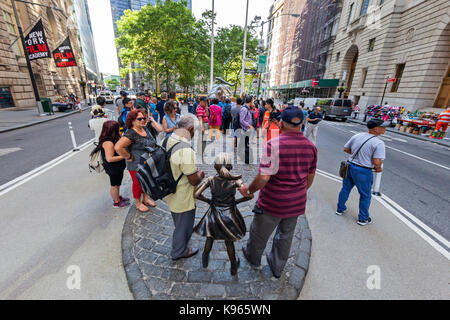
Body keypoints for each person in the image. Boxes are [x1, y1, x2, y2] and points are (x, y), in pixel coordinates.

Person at [241, 105, 317, 278]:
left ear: (281, 123)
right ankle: (277, 266)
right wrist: (298, 192)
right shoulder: (310, 147)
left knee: (259, 233)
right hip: (296, 203)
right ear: (302, 123)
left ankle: (253, 258)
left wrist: (249, 189)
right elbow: (310, 177)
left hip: (272, 202)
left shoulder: (273, 144)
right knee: (286, 235)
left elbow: (264, 177)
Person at [194, 153, 253, 276]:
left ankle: (205, 260)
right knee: (228, 241)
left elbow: (196, 194)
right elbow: (250, 195)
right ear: (230, 166)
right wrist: (237, 201)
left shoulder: (210, 180)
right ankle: (233, 267)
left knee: (210, 237)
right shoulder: (236, 181)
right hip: (229, 215)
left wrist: (208, 201)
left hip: (213, 213)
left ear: (215, 166)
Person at [165, 115, 205, 260]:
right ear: (189, 129)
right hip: (183, 195)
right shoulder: (186, 149)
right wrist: (201, 174)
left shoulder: (169, 138)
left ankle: (180, 246)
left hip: (171, 190)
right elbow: (193, 180)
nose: (195, 134)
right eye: (195, 131)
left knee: (179, 222)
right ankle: (179, 251)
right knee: (184, 226)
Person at [336, 118, 388, 225]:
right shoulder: (379, 143)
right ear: (376, 129)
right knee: (365, 195)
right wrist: (378, 168)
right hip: (363, 171)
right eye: (383, 127)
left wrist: (356, 155)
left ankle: (340, 209)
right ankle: (363, 218)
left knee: (345, 188)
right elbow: (376, 161)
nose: (385, 129)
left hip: (350, 166)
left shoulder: (357, 136)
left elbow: (346, 149)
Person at [115, 109, 162, 212]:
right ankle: (138, 203)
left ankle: (145, 198)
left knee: (146, 181)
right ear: (132, 121)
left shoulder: (144, 129)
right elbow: (118, 147)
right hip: (136, 164)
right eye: (139, 119)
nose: (142, 120)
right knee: (138, 183)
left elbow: (158, 132)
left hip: (147, 161)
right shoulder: (131, 133)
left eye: (143, 118)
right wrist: (128, 157)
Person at [97, 120, 129, 208]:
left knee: (117, 184)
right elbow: (109, 159)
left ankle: (118, 197)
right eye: (118, 129)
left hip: (118, 166)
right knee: (114, 185)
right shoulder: (108, 142)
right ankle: (116, 202)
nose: (120, 130)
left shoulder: (113, 138)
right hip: (113, 168)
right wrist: (125, 156)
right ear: (113, 130)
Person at [239, 95, 255, 164]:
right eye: (253, 100)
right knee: (244, 143)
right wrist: (249, 125)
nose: (253, 101)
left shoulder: (247, 108)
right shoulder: (244, 109)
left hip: (247, 130)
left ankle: (243, 156)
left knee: (245, 143)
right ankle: (242, 157)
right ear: (250, 101)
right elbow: (241, 120)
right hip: (245, 129)